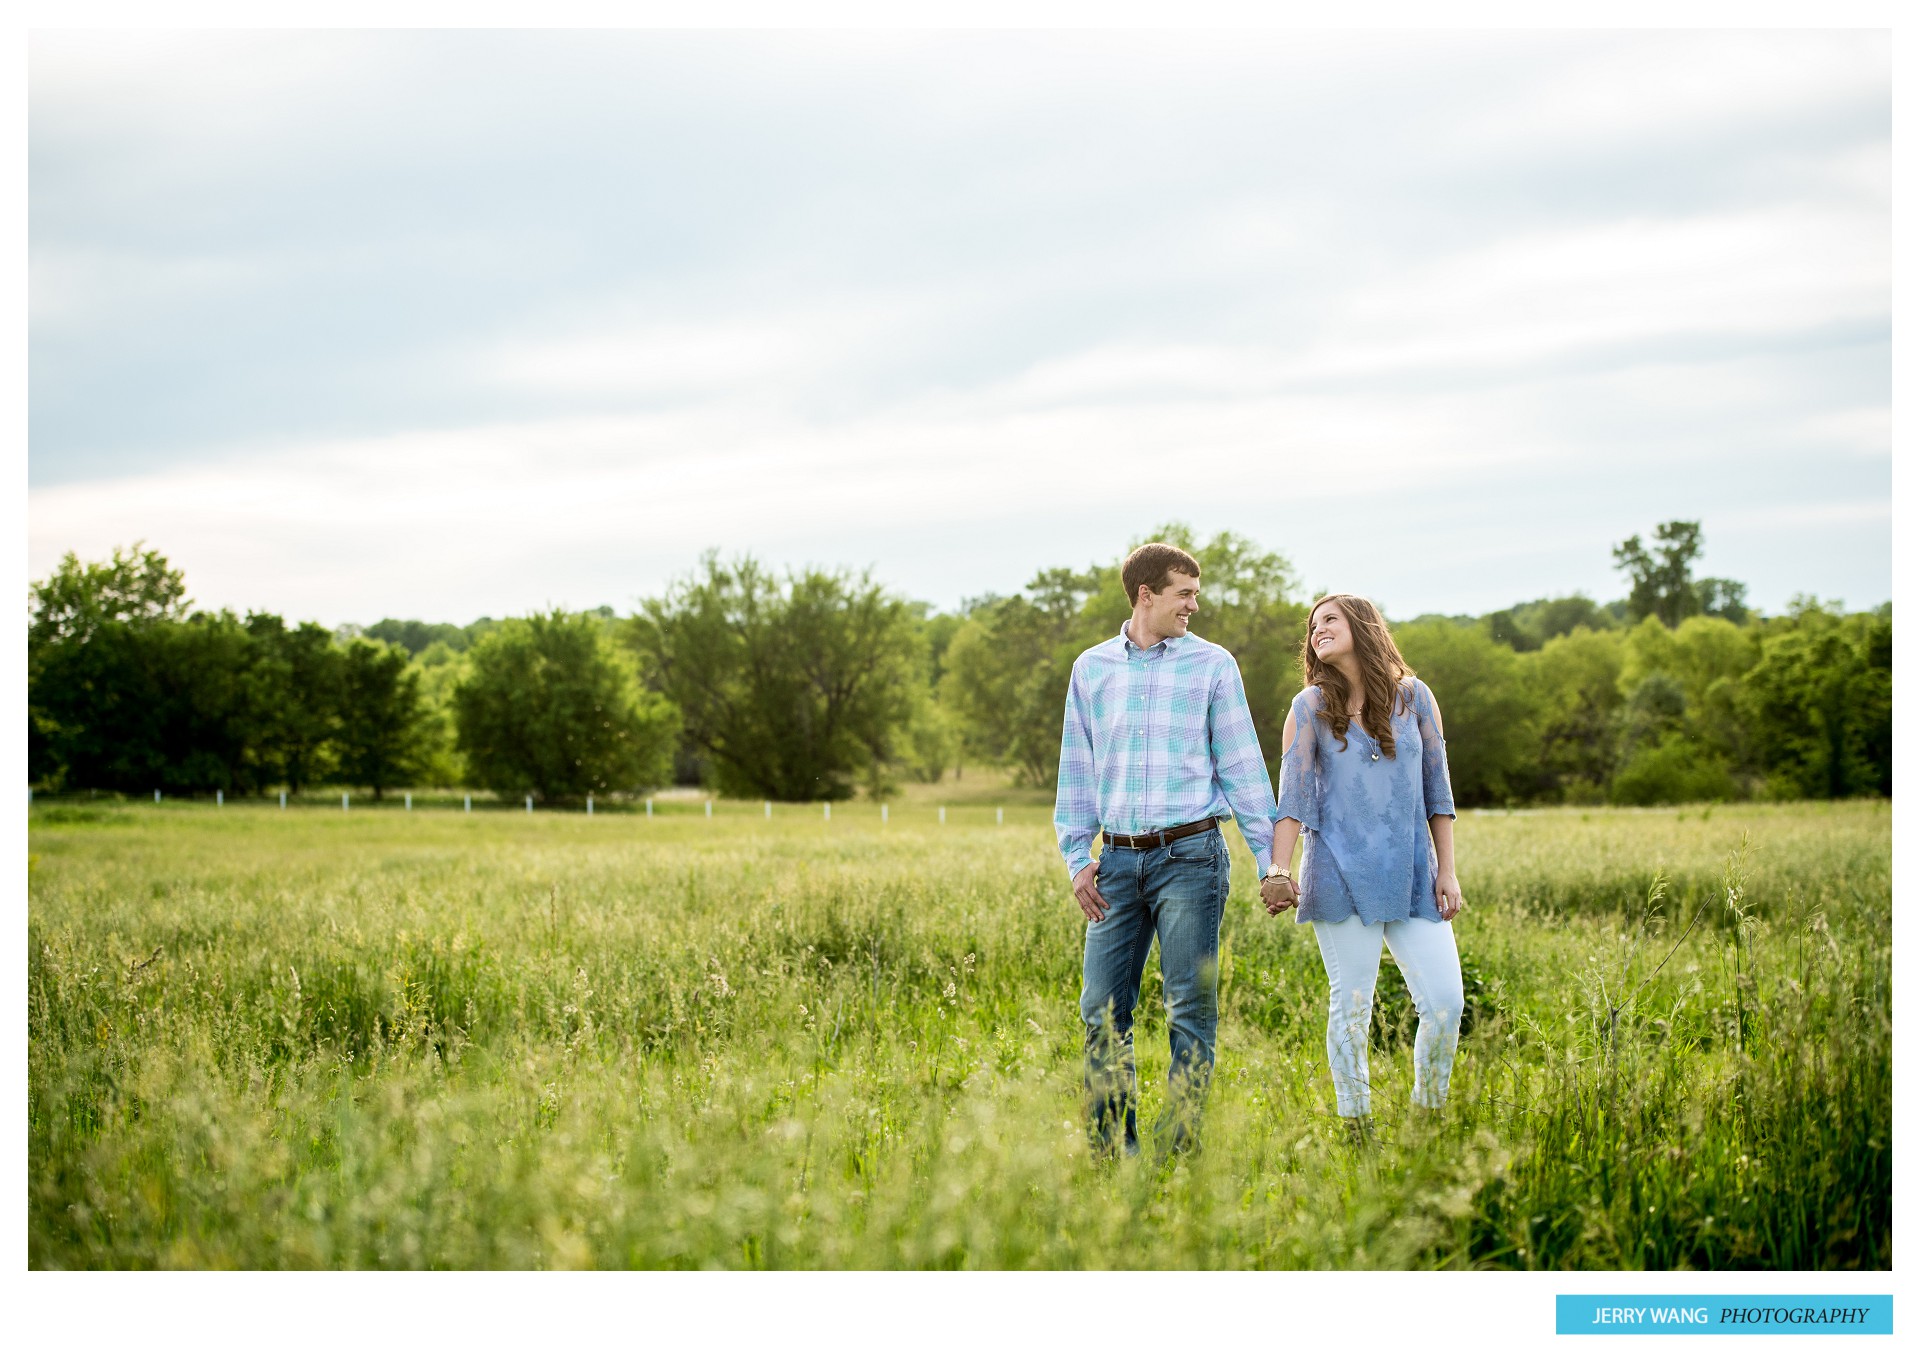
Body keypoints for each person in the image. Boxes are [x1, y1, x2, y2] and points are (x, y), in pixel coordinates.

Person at [1054, 542, 1284, 1158]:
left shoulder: (1213, 666)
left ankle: (1178, 1152)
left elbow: (1241, 767)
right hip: (1118, 863)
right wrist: (1078, 857)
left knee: (1189, 1012)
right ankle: (1112, 1156)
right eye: (1185, 593)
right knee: (1101, 1011)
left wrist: (1272, 863)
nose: (1195, 604)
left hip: (1192, 857)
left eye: (1196, 592)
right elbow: (1078, 768)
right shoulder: (1092, 668)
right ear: (1145, 595)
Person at [1263, 593, 1465, 1134]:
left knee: (1445, 1001)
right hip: (1337, 873)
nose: (1316, 631)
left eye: (1329, 620)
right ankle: (1357, 1128)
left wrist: (1446, 870)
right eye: (1312, 626)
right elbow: (1294, 799)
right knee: (1352, 1006)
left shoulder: (1416, 699)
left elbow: (1437, 790)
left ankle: (1428, 1118)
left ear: (1363, 625)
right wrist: (1278, 872)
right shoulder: (1308, 706)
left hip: (1412, 873)